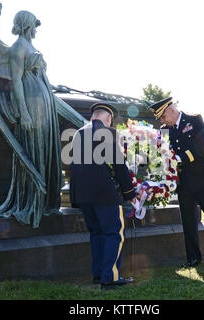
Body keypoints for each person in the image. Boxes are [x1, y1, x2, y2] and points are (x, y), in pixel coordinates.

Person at [149, 97, 204, 269]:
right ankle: (193, 258)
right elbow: (161, 154)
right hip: (184, 182)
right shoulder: (164, 130)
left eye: (162, 117)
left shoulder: (195, 120)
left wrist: (177, 158)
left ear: (170, 110)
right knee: (188, 221)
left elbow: (201, 148)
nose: (162, 121)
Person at [70, 103, 138, 289]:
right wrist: (129, 193)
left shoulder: (78, 133)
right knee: (115, 232)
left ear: (93, 117)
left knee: (97, 233)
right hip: (102, 192)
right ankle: (111, 277)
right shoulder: (107, 132)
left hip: (82, 194)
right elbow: (118, 165)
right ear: (107, 119)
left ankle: (99, 274)